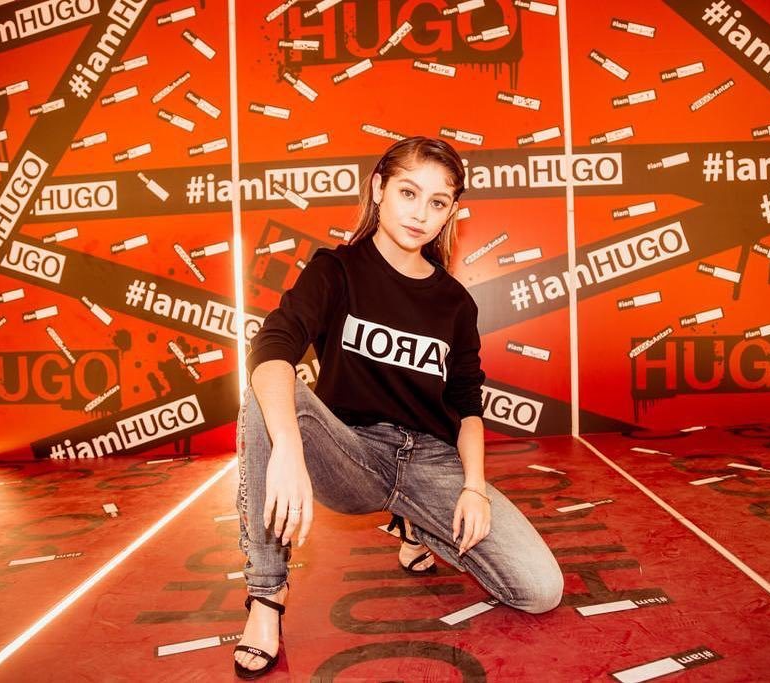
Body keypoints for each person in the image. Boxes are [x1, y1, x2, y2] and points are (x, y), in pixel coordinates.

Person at [233, 136, 563, 678]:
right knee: (268, 389)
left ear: (450, 212)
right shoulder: (336, 271)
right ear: (379, 189)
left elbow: (467, 406)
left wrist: (474, 488)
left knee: (539, 589)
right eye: (408, 192)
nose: (420, 213)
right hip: (353, 455)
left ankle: (415, 525)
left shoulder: (455, 303)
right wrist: (288, 448)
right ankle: (267, 596)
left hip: (431, 461)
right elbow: (272, 348)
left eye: (438, 201)